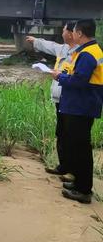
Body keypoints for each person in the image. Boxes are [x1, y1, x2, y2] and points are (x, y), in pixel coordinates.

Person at [51, 19, 103, 204]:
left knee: (81, 149)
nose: (72, 34)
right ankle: (80, 183)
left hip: (81, 107)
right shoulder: (90, 51)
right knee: (78, 146)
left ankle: (83, 190)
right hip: (81, 106)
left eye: (74, 31)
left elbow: (79, 81)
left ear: (80, 33)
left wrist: (60, 77)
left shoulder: (88, 54)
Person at [26, 22, 78, 176]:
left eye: (63, 30)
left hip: (71, 99)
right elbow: (50, 45)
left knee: (71, 135)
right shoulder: (63, 49)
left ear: (71, 33)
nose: (62, 32)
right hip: (59, 98)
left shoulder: (80, 53)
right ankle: (64, 167)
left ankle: (73, 170)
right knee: (61, 133)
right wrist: (35, 41)